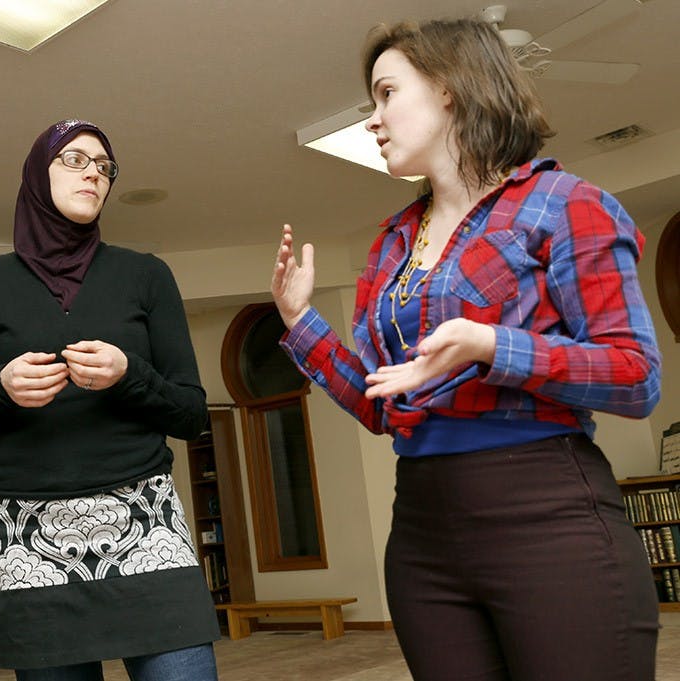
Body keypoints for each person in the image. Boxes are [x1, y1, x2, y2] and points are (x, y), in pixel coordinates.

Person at [271, 17, 662, 681]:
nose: (374, 118)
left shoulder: (565, 205)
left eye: (386, 93)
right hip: (422, 532)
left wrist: (492, 345)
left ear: (449, 88)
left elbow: (636, 376)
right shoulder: (392, 243)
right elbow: (379, 402)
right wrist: (297, 317)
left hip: (547, 514)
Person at [0, 119, 220, 680]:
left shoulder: (146, 275)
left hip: (144, 524)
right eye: (73, 159)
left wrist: (128, 373)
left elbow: (190, 413)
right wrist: (1, 389)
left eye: (104, 165)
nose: (93, 172)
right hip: (27, 535)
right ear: (36, 178)